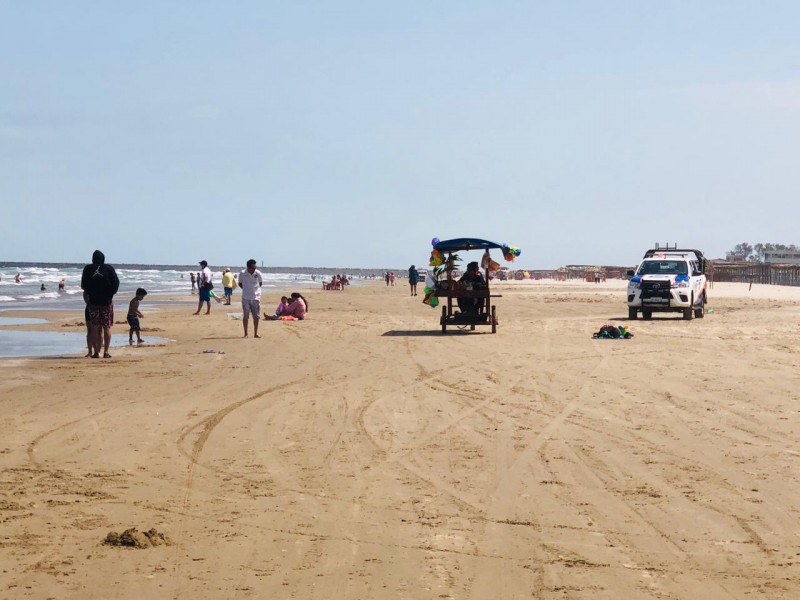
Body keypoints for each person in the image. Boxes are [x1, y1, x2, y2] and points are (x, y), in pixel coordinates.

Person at [80, 249, 120, 359]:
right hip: (106, 302)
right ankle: (106, 351)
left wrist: (89, 296)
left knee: (94, 327)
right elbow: (116, 284)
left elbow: (84, 286)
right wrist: (110, 293)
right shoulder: (109, 268)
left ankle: (96, 352)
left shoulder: (88, 269)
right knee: (107, 327)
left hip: (93, 302)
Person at [238, 259, 263, 338]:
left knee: (256, 316)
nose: (254, 269)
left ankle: (255, 333)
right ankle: (246, 333)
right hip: (246, 297)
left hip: (256, 297)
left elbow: (260, 283)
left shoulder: (258, 273)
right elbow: (240, 283)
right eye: (252, 267)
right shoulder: (242, 273)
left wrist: (255, 290)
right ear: (248, 267)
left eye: (255, 267)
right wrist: (246, 290)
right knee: (246, 316)